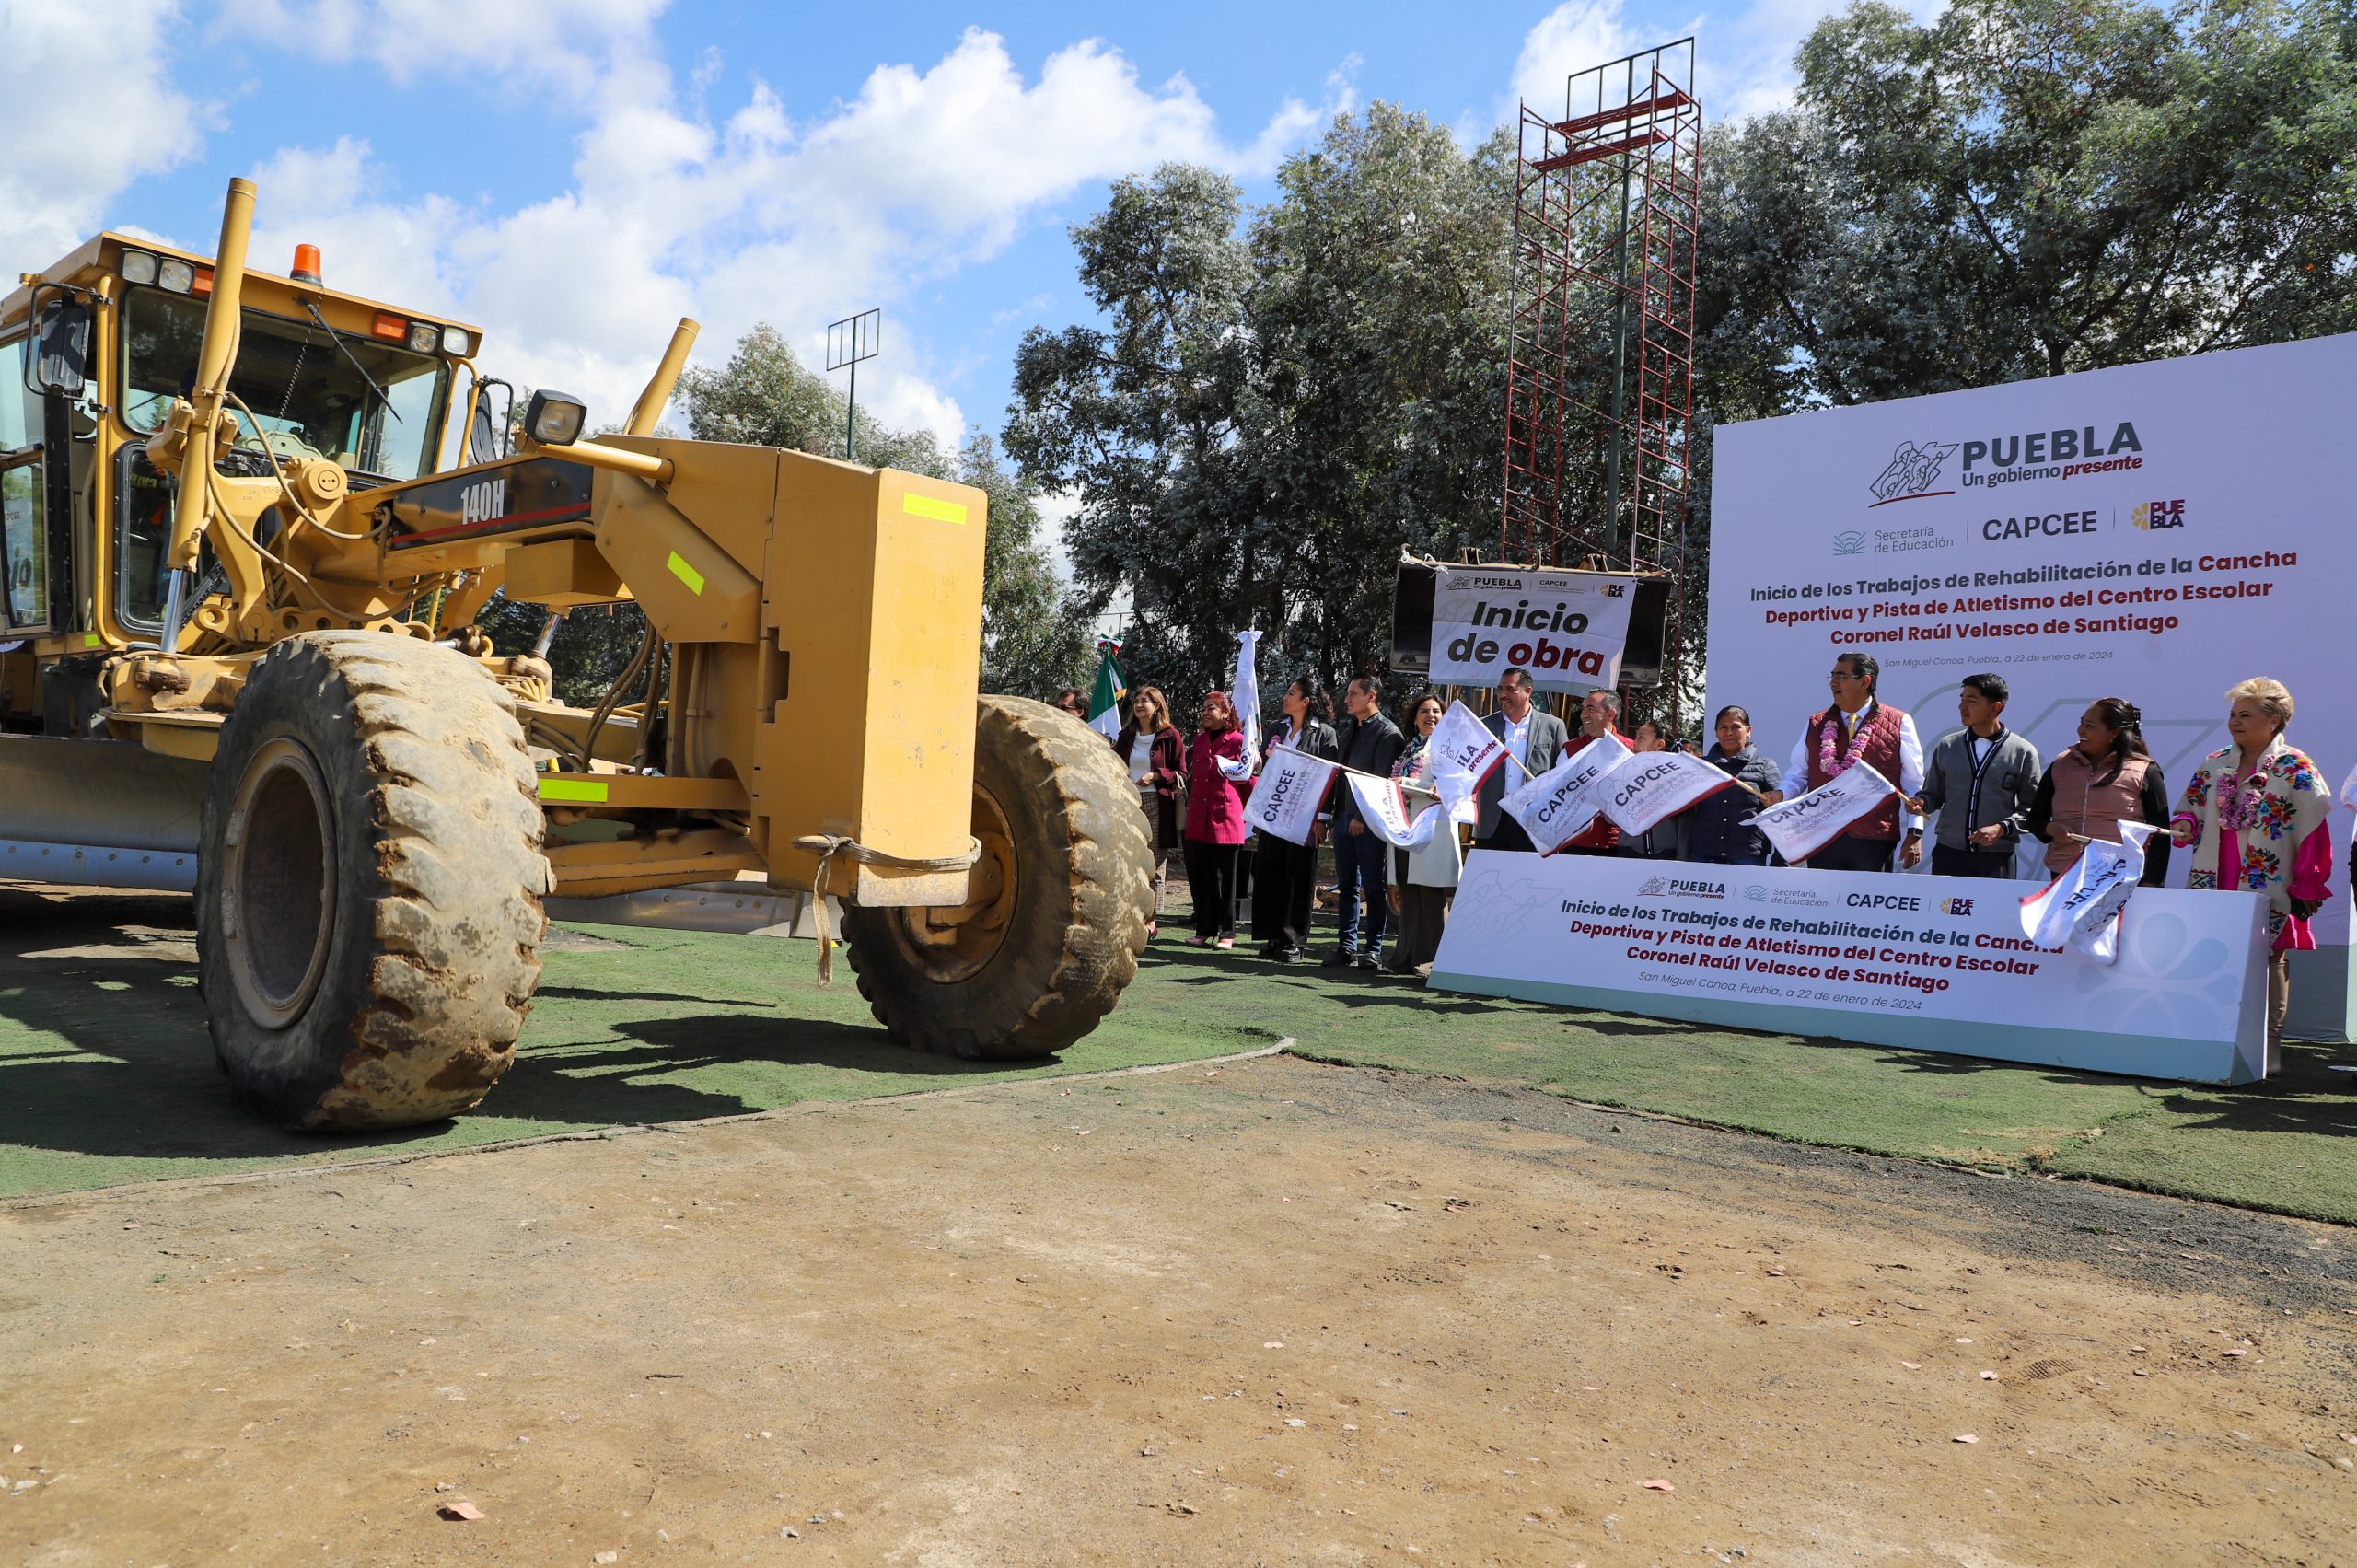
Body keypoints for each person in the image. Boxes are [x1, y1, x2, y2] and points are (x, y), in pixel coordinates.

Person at [2171, 678, 2332, 1074]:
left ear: (2275, 721)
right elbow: (2191, 807)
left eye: (2246, 715)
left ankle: (2268, 1046)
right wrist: (2186, 824)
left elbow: (2314, 829)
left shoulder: (2295, 765)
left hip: (2268, 875)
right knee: (2213, 951)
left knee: (2269, 955)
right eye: (2232, 715)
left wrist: (2308, 880)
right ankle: (2212, 1037)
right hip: (2217, 869)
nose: (2235, 722)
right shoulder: (2214, 761)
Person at [1780, 649, 1926, 872]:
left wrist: (1915, 832)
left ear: (1865, 681)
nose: (1833, 683)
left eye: (1842, 676)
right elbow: (1799, 774)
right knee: (1821, 905)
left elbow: (1913, 784)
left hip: (1874, 838)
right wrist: (1781, 794)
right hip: (1823, 836)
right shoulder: (1816, 722)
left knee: (1869, 904)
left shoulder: (1899, 721)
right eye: (1833, 676)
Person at [2023, 698, 2172, 887]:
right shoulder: (2060, 765)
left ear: (2114, 733)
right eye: (2081, 723)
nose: (2081, 730)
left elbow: (2159, 834)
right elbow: (2035, 818)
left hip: (2120, 879)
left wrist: (2151, 883)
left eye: (2090, 726)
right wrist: (2049, 829)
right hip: (2064, 875)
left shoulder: (2145, 770)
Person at [1907, 673, 2041, 878]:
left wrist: (2002, 828)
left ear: (1996, 707)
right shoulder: (1947, 745)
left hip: (1996, 858)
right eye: (1962, 699)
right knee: (1942, 909)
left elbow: (2031, 808)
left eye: (1971, 701)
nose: (1962, 706)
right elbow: (1933, 793)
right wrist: (1922, 803)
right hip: (1948, 854)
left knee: (1992, 911)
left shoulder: (2022, 751)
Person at [1252, 674, 1341, 963]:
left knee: (1299, 877)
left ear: (1305, 701)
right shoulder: (1277, 728)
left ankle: (1294, 941)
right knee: (1270, 873)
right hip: (1275, 812)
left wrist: (1322, 819)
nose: (1285, 697)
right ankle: (1273, 935)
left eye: (1291, 693)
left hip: (1304, 816)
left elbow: (1330, 779)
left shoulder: (1324, 733)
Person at [1328, 675, 1405, 970]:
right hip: (1343, 820)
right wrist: (1334, 817)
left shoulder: (1388, 734)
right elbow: (1339, 777)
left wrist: (1361, 817)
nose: (1346, 699)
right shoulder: (1347, 733)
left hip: (1369, 821)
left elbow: (1382, 779)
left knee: (1373, 887)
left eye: (1352, 694)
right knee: (1347, 886)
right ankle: (1347, 947)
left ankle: (1372, 950)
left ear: (1371, 696)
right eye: (1347, 694)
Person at [1386, 691, 1460, 975]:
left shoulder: (1449, 749)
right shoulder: (1409, 748)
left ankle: (1431, 962)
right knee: (1409, 893)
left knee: (1431, 895)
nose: (1431, 716)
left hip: (1433, 828)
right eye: (1424, 711)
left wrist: (1402, 782)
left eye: (1436, 712)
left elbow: (1446, 789)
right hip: (1405, 827)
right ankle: (1405, 958)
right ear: (1414, 719)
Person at [1109, 685, 1185, 937]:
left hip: (1157, 803)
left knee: (1152, 863)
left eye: (1146, 701)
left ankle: (1151, 919)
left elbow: (1181, 774)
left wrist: (1157, 775)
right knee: (1131, 861)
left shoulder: (1170, 735)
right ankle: (1132, 915)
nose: (1140, 704)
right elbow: (1115, 765)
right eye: (1137, 701)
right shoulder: (1126, 735)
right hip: (1129, 803)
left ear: (1157, 707)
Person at [1470, 668, 1569, 854]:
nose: (1503, 695)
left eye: (1510, 689)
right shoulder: (1484, 726)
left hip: (1532, 823)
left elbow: (1562, 774)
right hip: (1492, 822)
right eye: (1500, 689)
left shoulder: (1553, 726)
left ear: (1528, 691)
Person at [1180, 691, 1250, 948]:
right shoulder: (1199, 742)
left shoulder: (1239, 741)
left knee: (1227, 879)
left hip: (1226, 818)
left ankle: (1227, 933)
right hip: (1199, 819)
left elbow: (1247, 782)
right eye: (1204, 708)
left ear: (1225, 714)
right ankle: (1204, 929)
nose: (1205, 713)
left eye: (1211, 708)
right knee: (1203, 877)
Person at [1687, 705, 1783, 865]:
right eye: (1723, 728)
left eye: (1736, 727)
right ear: (1716, 732)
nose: (1729, 733)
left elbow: (1781, 810)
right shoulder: (1701, 766)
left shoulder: (1765, 766)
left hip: (1747, 855)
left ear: (1749, 730)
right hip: (1704, 853)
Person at [1558, 689, 1628, 854]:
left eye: (1591, 708)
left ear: (1610, 714)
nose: (1583, 715)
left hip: (1618, 845)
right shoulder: (1569, 750)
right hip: (1574, 842)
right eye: (1583, 708)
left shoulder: (1631, 750)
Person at [1612, 719, 1688, 860]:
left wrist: (1682, 857)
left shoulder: (1677, 777)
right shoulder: (1624, 772)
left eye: (1641, 737)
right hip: (1627, 850)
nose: (1634, 742)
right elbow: (1610, 818)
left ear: (1660, 745)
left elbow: (1684, 823)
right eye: (1636, 736)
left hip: (1666, 852)